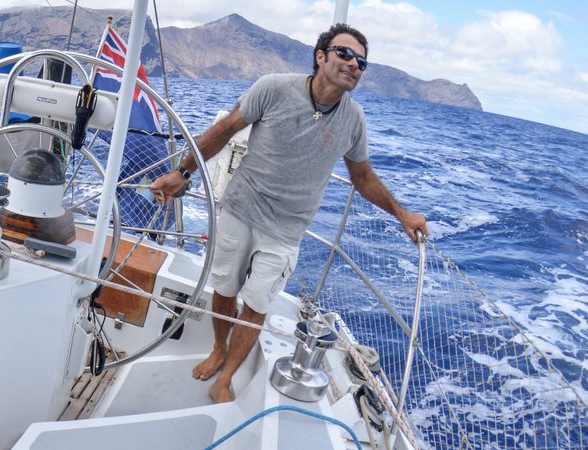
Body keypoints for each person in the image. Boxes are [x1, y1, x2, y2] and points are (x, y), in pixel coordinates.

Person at [149, 23, 428, 403]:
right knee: (226, 289)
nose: (354, 64)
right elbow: (227, 129)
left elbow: (361, 177)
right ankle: (218, 347)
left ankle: (226, 375)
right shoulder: (275, 87)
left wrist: (402, 214)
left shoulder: (353, 121)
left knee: (259, 303)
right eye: (344, 54)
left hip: (286, 229)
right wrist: (182, 173)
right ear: (321, 56)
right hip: (241, 207)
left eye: (361, 62)